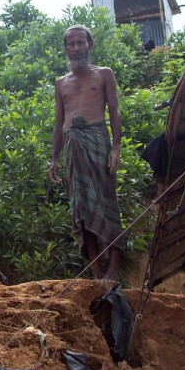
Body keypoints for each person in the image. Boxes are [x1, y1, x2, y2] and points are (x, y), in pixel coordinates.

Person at [49, 25, 123, 281]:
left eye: (81, 42)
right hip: (73, 146)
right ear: (66, 47)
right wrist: (54, 159)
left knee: (106, 202)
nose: (76, 47)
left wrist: (116, 148)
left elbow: (114, 111)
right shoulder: (61, 83)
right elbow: (59, 124)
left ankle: (113, 270)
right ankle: (96, 272)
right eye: (72, 43)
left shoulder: (104, 74)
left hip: (98, 142)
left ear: (90, 44)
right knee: (81, 210)